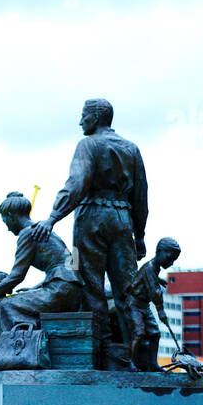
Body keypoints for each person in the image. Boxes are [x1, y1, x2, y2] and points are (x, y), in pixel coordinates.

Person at [31, 98, 148, 370]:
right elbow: (141, 195)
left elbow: (77, 183)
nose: (80, 121)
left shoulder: (87, 145)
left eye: (83, 116)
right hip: (123, 219)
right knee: (127, 289)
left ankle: (99, 354)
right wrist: (139, 234)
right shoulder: (131, 148)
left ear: (95, 118)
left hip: (90, 218)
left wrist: (52, 218)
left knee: (88, 283)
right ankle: (135, 357)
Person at [0, 192, 83, 361]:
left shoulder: (27, 233)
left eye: (5, 220)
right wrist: (36, 288)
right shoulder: (44, 231)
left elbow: (16, 276)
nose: (6, 227)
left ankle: (3, 359)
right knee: (12, 300)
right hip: (69, 290)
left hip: (60, 291)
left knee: (3, 305)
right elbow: (64, 267)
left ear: (11, 216)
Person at [128, 237, 182, 371]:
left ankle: (152, 364)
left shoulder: (154, 268)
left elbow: (151, 280)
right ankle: (130, 363)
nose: (171, 262)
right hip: (134, 305)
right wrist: (161, 311)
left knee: (155, 333)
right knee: (139, 333)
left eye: (173, 260)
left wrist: (159, 280)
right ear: (159, 252)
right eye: (170, 258)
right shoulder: (150, 268)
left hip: (144, 306)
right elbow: (155, 292)